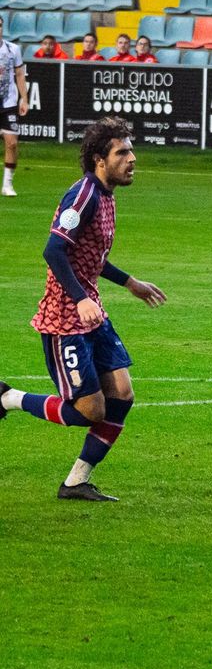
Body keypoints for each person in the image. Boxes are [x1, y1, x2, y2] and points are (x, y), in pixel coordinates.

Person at [0, 116, 167, 501]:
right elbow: (54, 250)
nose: (132, 158)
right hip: (64, 316)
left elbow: (91, 257)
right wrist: (80, 298)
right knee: (90, 410)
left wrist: (131, 283)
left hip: (92, 311)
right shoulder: (83, 196)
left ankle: (76, 481)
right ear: (98, 160)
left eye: (131, 150)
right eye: (122, 152)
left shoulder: (106, 196)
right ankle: (7, 398)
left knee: (122, 396)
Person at [0, 15, 24, 196]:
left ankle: (7, 184)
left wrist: (24, 98)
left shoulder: (12, 49)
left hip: (8, 102)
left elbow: (19, 74)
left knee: (12, 143)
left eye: (0, 26)